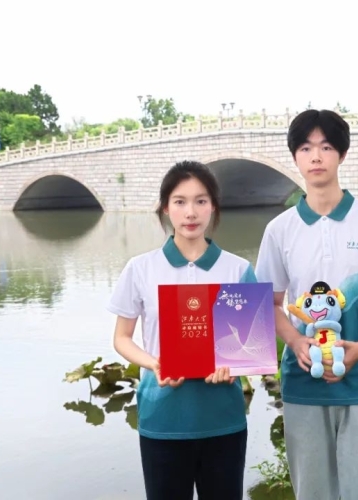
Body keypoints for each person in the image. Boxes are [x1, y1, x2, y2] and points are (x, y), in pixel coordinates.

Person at [255, 109, 358, 499]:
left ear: (341, 154)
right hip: (303, 379)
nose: (316, 156)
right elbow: (269, 304)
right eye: (306, 148)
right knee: (313, 491)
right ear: (294, 156)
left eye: (326, 147)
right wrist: (296, 341)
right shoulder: (279, 230)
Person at [106, 160, 254, 500]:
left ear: (213, 206)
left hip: (223, 419)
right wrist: (154, 363)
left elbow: (249, 347)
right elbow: (122, 338)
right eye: (180, 201)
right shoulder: (141, 269)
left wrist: (234, 366)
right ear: (165, 208)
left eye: (201, 201)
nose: (191, 212)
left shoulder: (237, 269)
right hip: (163, 418)